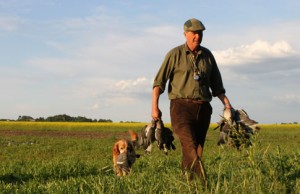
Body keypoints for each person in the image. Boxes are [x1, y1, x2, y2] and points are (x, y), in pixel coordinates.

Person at [151, 18, 232, 185]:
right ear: (185, 34)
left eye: (200, 33)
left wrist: (227, 104)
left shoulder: (207, 56)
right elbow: (159, 82)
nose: (197, 36)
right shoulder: (175, 54)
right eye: (194, 33)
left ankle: (186, 183)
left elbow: (217, 86)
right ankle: (203, 185)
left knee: (197, 149)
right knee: (189, 146)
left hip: (203, 108)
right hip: (180, 107)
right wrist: (155, 107)